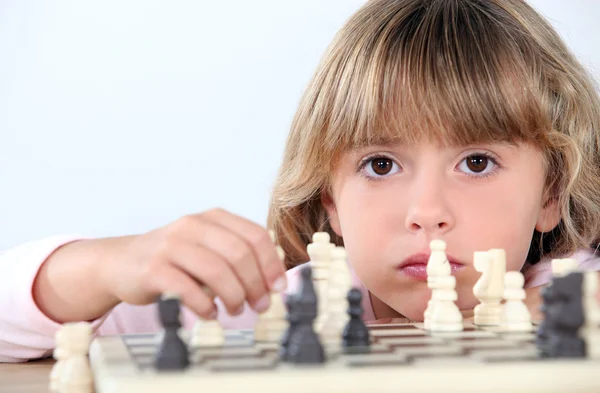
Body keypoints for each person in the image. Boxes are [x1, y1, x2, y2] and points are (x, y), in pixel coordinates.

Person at [1, 0, 600, 363]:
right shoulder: (273, 311)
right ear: (330, 202)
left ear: (551, 193)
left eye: (476, 163)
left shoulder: (578, 298)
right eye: (380, 165)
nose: (425, 212)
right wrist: (111, 265)